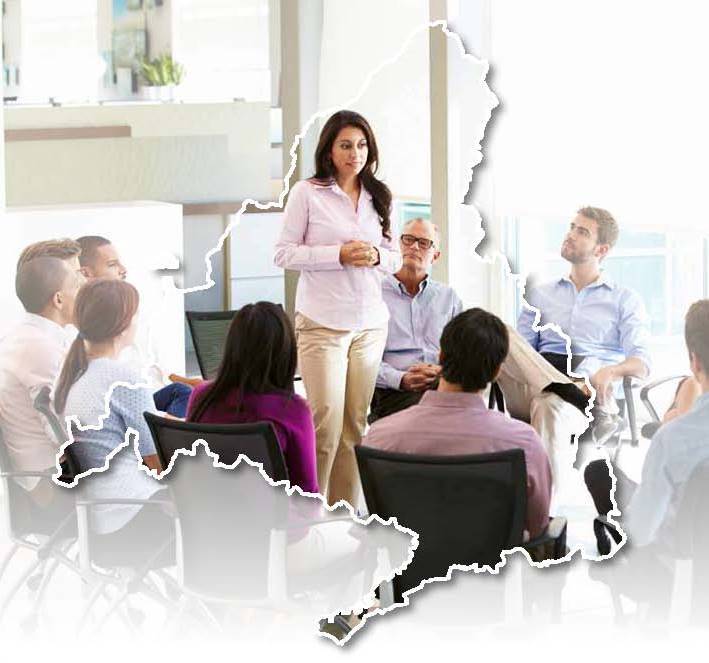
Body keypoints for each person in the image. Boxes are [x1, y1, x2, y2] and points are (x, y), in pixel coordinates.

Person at [372, 217, 589, 494]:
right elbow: (362, 362)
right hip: (396, 391)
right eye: (408, 239)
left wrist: (444, 370)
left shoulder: (447, 297)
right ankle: (567, 389)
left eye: (424, 243)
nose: (414, 247)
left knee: (499, 332)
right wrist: (400, 378)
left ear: (435, 255)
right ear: (397, 244)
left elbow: (464, 346)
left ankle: (562, 388)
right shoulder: (374, 294)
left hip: (447, 381)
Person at [273, 110, 402, 507]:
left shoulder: (380, 196)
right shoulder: (307, 193)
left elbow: (395, 258)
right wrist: (338, 255)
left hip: (370, 325)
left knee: (355, 427)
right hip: (323, 323)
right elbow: (283, 254)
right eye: (346, 145)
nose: (355, 153)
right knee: (324, 427)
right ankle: (307, 515)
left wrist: (376, 256)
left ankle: (343, 516)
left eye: (361, 145)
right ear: (329, 150)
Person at [363, 308, 552, 540]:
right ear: (496, 372)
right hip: (491, 561)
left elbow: (380, 522)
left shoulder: (379, 436)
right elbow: (537, 525)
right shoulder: (523, 442)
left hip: (409, 559)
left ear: (441, 357)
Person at [584, 299, 709, 555]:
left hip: (678, 564)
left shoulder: (671, 439)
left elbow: (641, 533)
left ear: (695, 362)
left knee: (599, 472)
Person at [517, 206, 652, 442]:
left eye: (582, 232)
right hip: (543, 372)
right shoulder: (539, 295)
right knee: (499, 335)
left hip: (590, 379)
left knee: (555, 397)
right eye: (572, 227)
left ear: (601, 249)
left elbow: (642, 364)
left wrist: (611, 371)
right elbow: (521, 351)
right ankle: (598, 409)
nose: (571, 235)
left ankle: (591, 402)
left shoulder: (624, 299)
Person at [54, 279, 171, 540]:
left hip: (98, 519)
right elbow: (157, 462)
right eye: (136, 315)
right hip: (135, 515)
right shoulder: (124, 379)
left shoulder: (71, 375)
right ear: (122, 324)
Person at [185, 302, 319, 494]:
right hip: (268, 513)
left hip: (204, 510)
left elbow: (190, 471)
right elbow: (306, 494)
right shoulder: (293, 410)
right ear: (286, 352)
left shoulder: (202, 396)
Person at [76, 234, 191, 418]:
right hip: (130, 404)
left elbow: (153, 369)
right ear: (85, 273)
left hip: (147, 394)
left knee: (184, 392)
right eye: (112, 264)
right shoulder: (91, 323)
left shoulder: (122, 310)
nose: (123, 270)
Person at [0, 255, 81, 489]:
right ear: (59, 299)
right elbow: (61, 431)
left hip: (47, 471)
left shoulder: (28, 336)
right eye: (76, 287)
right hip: (51, 479)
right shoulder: (40, 348)